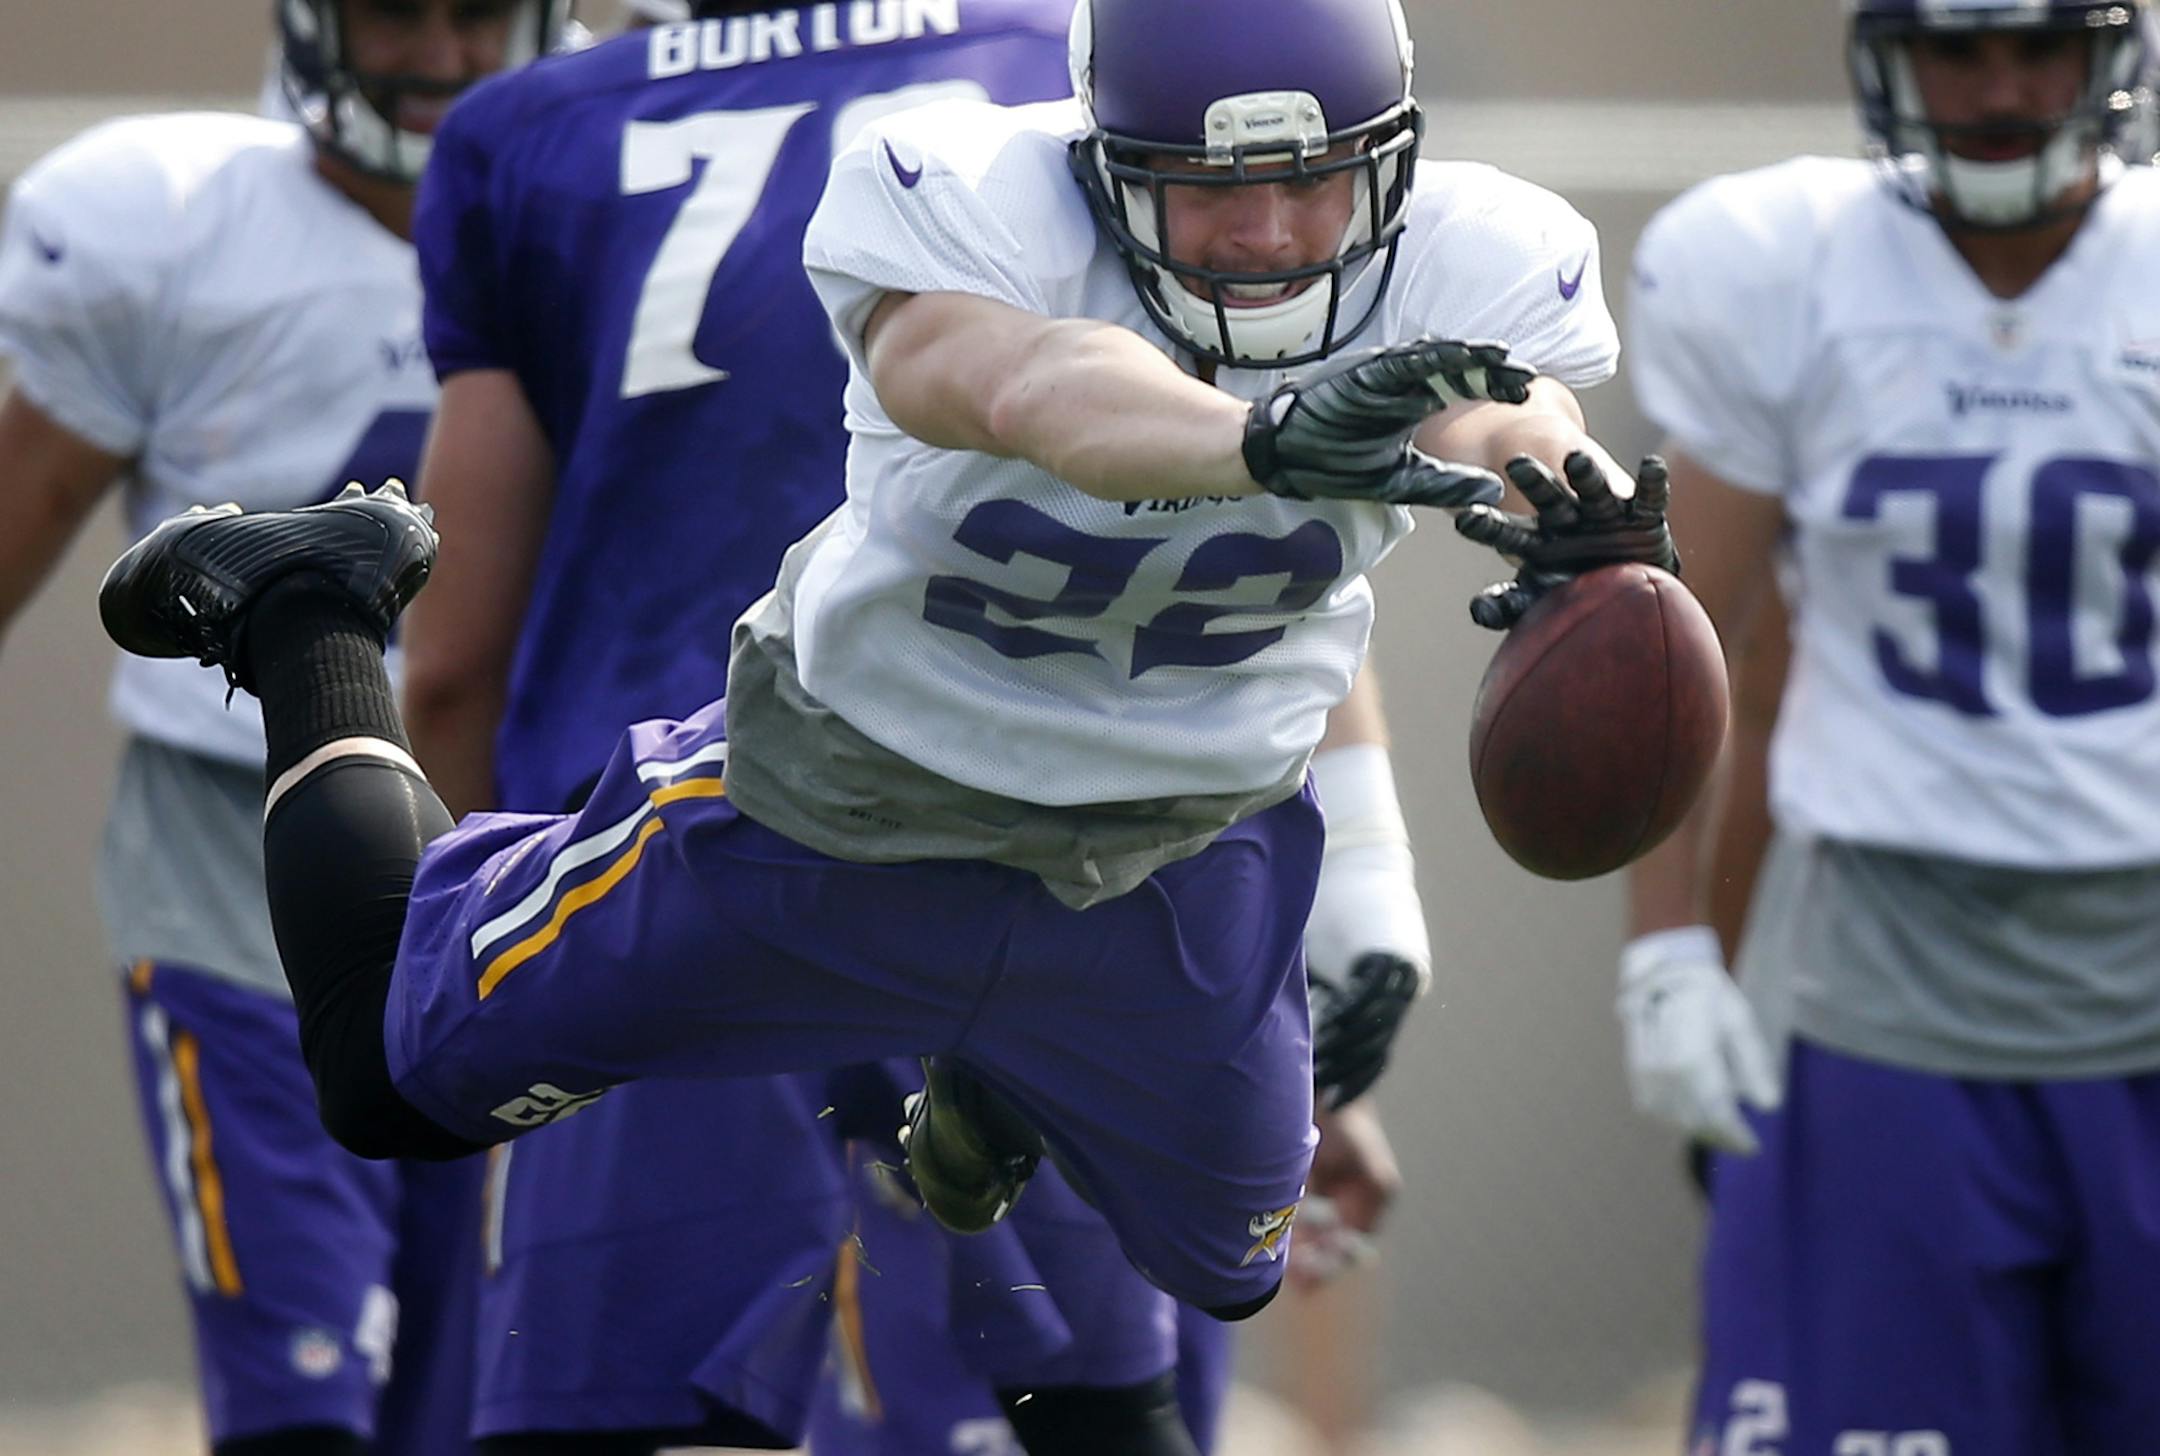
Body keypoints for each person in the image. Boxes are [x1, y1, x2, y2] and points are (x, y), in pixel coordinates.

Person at [96, 0, 1670, 1398]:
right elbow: (1026, 389)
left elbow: (1499, 401)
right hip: (841, 800)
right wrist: (1257, 442)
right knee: (385, 1074)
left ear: (1390, 167)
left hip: (1176, 848)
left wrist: (1561, 493)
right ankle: (309, 607)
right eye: (1207, 194)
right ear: (1104, 168)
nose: (1264, 238)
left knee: (1228, 1262)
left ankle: (992, 1075)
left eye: (1310, 184)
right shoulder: (965, 200)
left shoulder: (1476, 249)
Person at [400, 3, 1117, 1450]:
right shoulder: (1069, 64)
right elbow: (1251, 558)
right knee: (1091, 1417)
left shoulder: (526, 130)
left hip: (648, 877)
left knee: (615, 1424)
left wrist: (480, 994)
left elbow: (450, 667)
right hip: (1030, 879)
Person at [0, 3, 563, 1454]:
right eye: (396, 14)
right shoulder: (176, 228)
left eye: (477, 19)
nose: (440, 59)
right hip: (230, 863)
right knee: (302, 1406)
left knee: (481, 1408)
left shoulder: (591, 219)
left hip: (509, 859)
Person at [1618, 1, 2160, 1450]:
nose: (2002, 85)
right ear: (1888, 54)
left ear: (2109, 53)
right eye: (1959, 48)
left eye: (2038, 44)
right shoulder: (1787, 268)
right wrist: (1668, 947)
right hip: (1882, 978)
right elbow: (1690, 640)